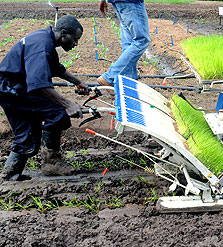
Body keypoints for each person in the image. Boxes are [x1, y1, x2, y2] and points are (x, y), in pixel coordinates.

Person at [0, 15, 88, 181]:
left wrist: (78, 82)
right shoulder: (43, 46)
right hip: (13, 90)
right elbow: (39, 85)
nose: (76, 44)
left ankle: (10, 174)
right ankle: (51, 162)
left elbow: (55, 68)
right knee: (57, 112)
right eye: (75, 39)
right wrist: (68, 104)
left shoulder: (45, 38)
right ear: (64, 33)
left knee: (28, 134)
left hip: (11, 88)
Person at [97, 0, 151, 86]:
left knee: (129, 43)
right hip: (131, 2)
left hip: (119, 2)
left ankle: (128, 81)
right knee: (141, 40)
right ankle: (110, 76)